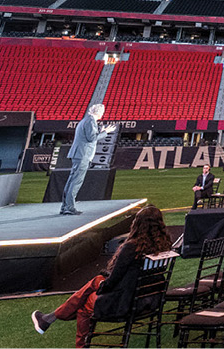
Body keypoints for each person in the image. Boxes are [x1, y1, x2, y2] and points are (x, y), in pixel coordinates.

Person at [32, 204, 174, 345]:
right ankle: (49, 318)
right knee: (97, 281)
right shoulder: (164, 244)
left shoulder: (132, 247)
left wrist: (102, 287)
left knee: (85, 304)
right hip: (150, 299)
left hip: (126, 302)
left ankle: (59, 325)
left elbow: (113, 281)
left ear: (137, 224)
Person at [60, 103, 107, 215]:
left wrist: (100, 132)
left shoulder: (85, 120)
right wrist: (105, 133)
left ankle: (65, 206)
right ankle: (69, 207)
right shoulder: (90, 121)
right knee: (76, 182)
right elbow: (92, 139)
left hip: (78, 154)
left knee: (72, 181)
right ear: (100, 112)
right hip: (83, 155)